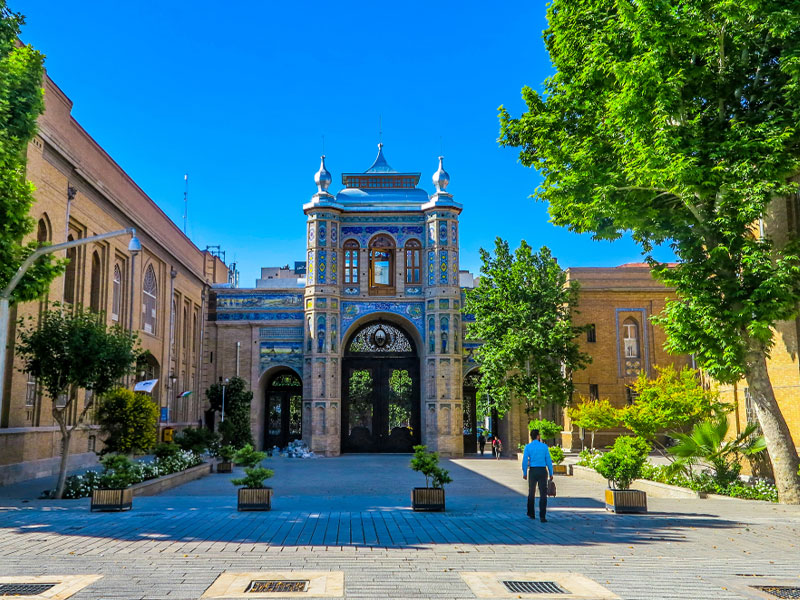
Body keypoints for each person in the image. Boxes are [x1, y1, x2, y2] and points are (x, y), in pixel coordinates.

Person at [521, 429, 554, 522]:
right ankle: (542, 516)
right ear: (538, 436)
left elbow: (524, 461)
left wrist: (524, 472)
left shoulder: (528, 447)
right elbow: (548, 460)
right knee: (543, 493)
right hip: (542, 470)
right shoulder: (544, 447)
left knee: (531, 492)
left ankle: (531, 513)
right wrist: (551, 473)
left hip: (533, 471)